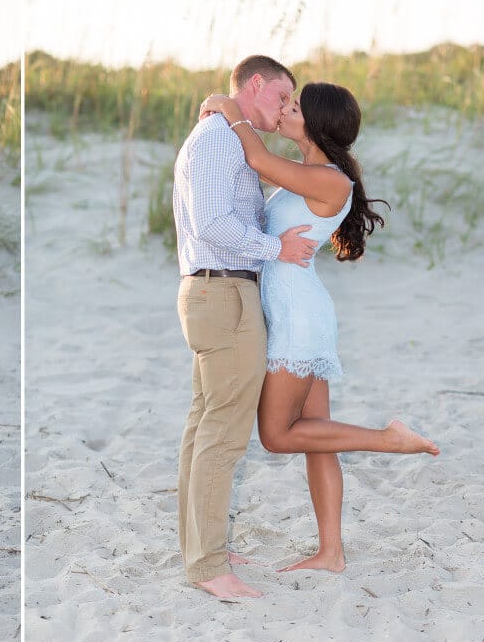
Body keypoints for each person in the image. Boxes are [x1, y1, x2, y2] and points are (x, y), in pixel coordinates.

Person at [199, 82, 438, 575]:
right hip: (294, 310)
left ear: (317, 124)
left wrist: (228, 108)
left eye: (293, 106)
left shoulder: (331, 181)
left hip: (296, 317)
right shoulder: (308, 176)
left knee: (277, 435)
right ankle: (331, 553)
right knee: (315, 436)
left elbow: (260, 161)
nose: (284, 110)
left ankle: (387, 439)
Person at [171, 55, 319, 599]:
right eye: (281, 97)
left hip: (216, 290)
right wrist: (273, 247)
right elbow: (212, 222)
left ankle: (200, 545)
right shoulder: (216, 139)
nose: (284, 109)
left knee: (203, 422)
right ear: (254, 84)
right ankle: (208, 565)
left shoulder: (225, 133)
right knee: (223, 434)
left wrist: (227, 109)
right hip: (224, 289)